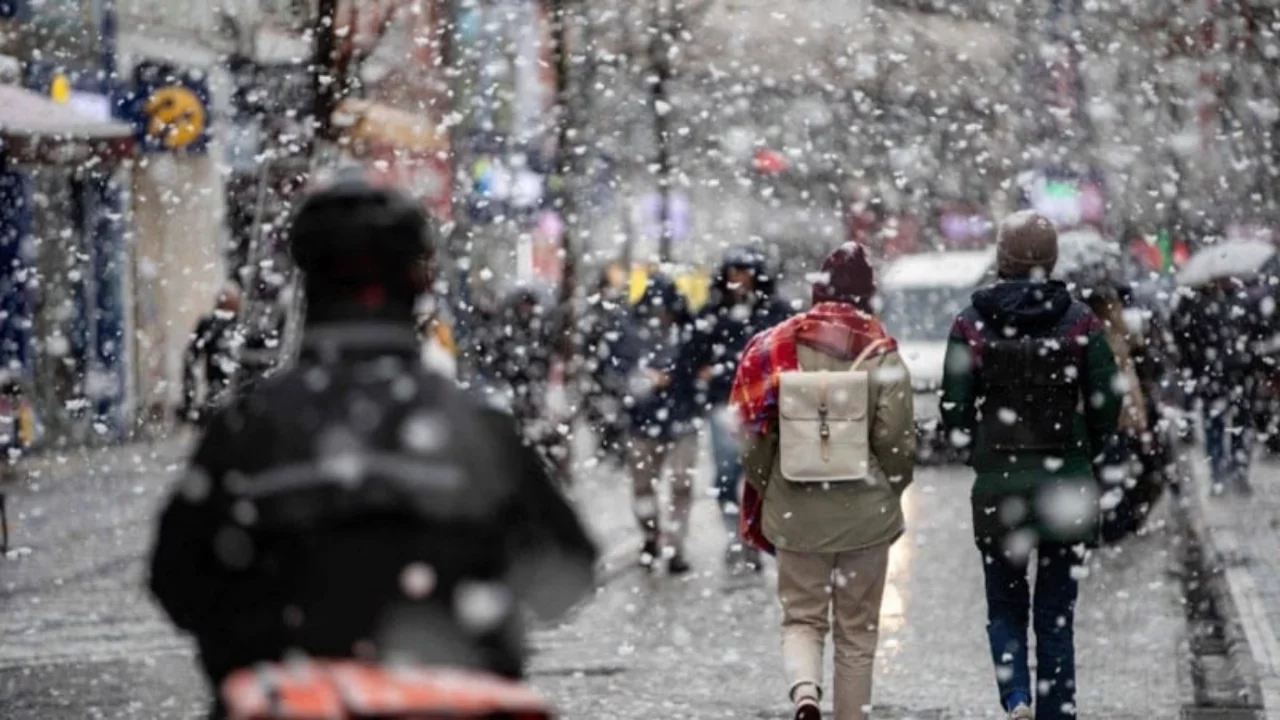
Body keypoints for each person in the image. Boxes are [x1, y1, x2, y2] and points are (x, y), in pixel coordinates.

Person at [148, 171, 597, 719]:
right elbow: (565, 574)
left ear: (307, 282)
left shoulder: (250, 428)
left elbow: (177, 577)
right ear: (419, 282)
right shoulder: (474, 428)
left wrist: (262, 635)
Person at [940, 211, 1121, 720]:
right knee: (1056, 615)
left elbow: (953, 408)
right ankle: (1056, 711)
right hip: (1067, 488)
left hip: (1001, 491)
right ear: (1052, 260)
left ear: (1001, 259)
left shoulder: (970, 324)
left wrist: (979, 447)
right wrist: (1086, 448)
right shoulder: (1081, 320)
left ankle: (1016, 697)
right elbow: (1107, 400)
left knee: (1004, 607)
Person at [732, 242, 916, 720]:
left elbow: (752, 436)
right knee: (856, 634)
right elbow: (896, 442)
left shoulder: (774, 346)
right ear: (869, 297)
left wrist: (773, 484)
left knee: (802, 618)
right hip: (865, 515)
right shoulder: (881, 350)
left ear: (818, 290)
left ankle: (806, 694)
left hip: (796, 509)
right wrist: (886, 489)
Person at [693, 246, 793, 572]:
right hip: (726, 408)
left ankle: (753, 535)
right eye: (734, 273)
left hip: (762, 408)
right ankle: (740, 537)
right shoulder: (713, 314)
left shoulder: (774, 312)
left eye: (745, 272)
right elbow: (694, 357)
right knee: (726, 478)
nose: (739, 280)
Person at [617, 273, 699, 573]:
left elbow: (698, 366)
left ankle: (675, 547)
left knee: (681, 484)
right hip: (643, 421)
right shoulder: (629, 331)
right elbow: (617, 369)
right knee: (642, 486)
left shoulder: (688, 330)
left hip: (681, 421)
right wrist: (643, 380)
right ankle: (651, 538)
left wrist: (676, 378)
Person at [1171, 276, 1267, 492]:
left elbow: (1183, 339)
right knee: (1230, 425)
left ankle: (1224, 474)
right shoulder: (1237, 302)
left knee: (1222, 425)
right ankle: (1230, 472)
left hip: (1221, 375)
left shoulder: (1193, 304)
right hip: (1230, 374)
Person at [180, 283, 245, 425]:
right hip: (218, 396)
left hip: (238, 397)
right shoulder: (211, 325)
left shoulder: (242, 326)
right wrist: (190, 402)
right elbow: (190, 360)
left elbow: (190, 360)